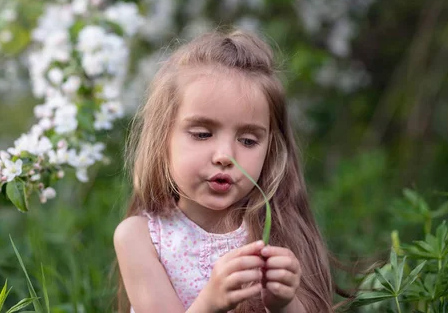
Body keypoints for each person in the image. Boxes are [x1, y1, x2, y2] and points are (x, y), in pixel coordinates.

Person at [114, 29, 334, 312]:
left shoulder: (277, 227)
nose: (225, 156)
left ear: (271, 149)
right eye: (203, 134)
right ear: (162, 138)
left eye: (247, 140)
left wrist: (284, 303)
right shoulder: (140, 237)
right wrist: (209, 304)